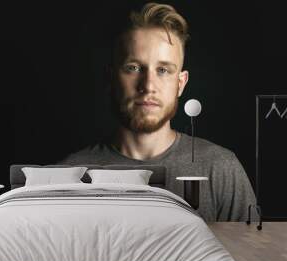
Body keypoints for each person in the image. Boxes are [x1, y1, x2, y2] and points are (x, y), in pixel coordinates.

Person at [58, 2, 257, 221]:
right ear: (111, 78)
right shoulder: (70, 176)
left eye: (163, 70)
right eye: (133, 68)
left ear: (180, 83)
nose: (148, 85)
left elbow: (249, 252)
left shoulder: (221, 169)